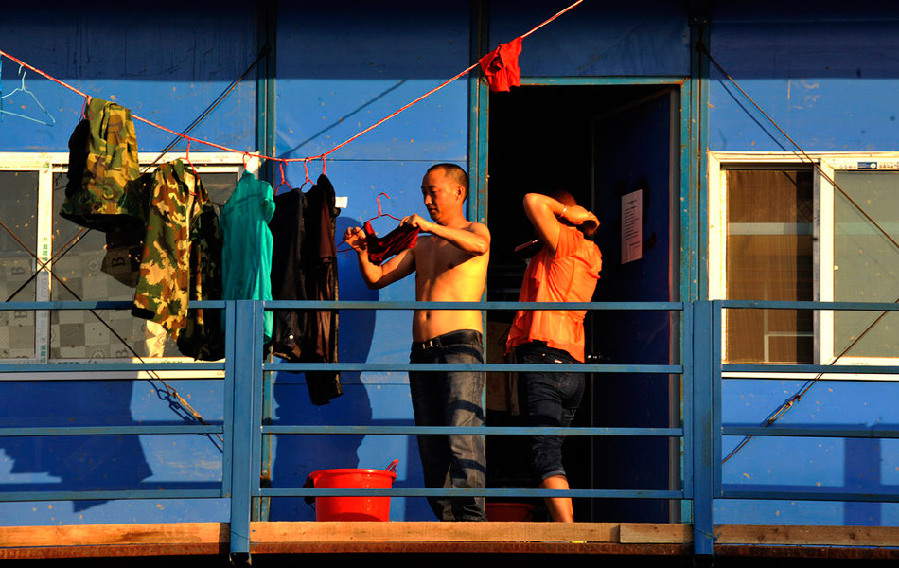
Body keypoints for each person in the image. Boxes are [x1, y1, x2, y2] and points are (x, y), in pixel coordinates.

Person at [344, 164, 490, 521]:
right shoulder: (421, 245)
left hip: (460, 346)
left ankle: (472, 523)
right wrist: (363, 251)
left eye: (433, 192)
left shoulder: (474, 230)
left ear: (458, 192)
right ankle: (445, 522)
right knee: (430, 441)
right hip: (422, 351)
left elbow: (480, 245)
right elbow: (378, 278)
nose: (426, 200)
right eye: (424, 191)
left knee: (461, 434)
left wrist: (433, 227)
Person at [506, 190, 601, 522]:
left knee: (544, 453)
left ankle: (567, 533)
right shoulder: (592, 252)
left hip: (544, 359)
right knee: (551, 450)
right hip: (573, 365)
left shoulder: (565, 243)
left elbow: (532, 200)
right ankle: (561, 525)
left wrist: (570, 211)